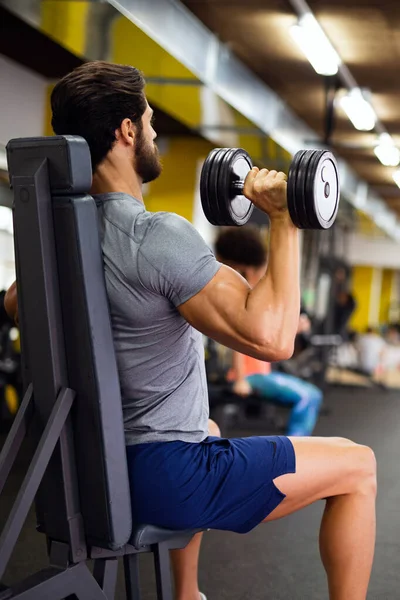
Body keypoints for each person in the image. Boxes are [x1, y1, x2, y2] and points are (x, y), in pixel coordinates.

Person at [4, 61, 376, 600]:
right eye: (150, 122)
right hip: (165, 478)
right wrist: (284, 220)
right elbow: (273, 338)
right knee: (358, 465)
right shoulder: (155, 236)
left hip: (80, 468)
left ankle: (187, 595)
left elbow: (16, 304)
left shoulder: (58, 236)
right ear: (127, 132)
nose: (154, 134)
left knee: (208, 425)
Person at [214, 226, 323, 437]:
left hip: (261, 373)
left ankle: (293, 448)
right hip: (250, 376)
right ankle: (292, 450)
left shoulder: (255, 294)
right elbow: (238, 341)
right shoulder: (241, 296)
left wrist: (293, 327)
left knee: (313, 395)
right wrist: (240, 379)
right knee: (308, 397)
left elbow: (268, 334)